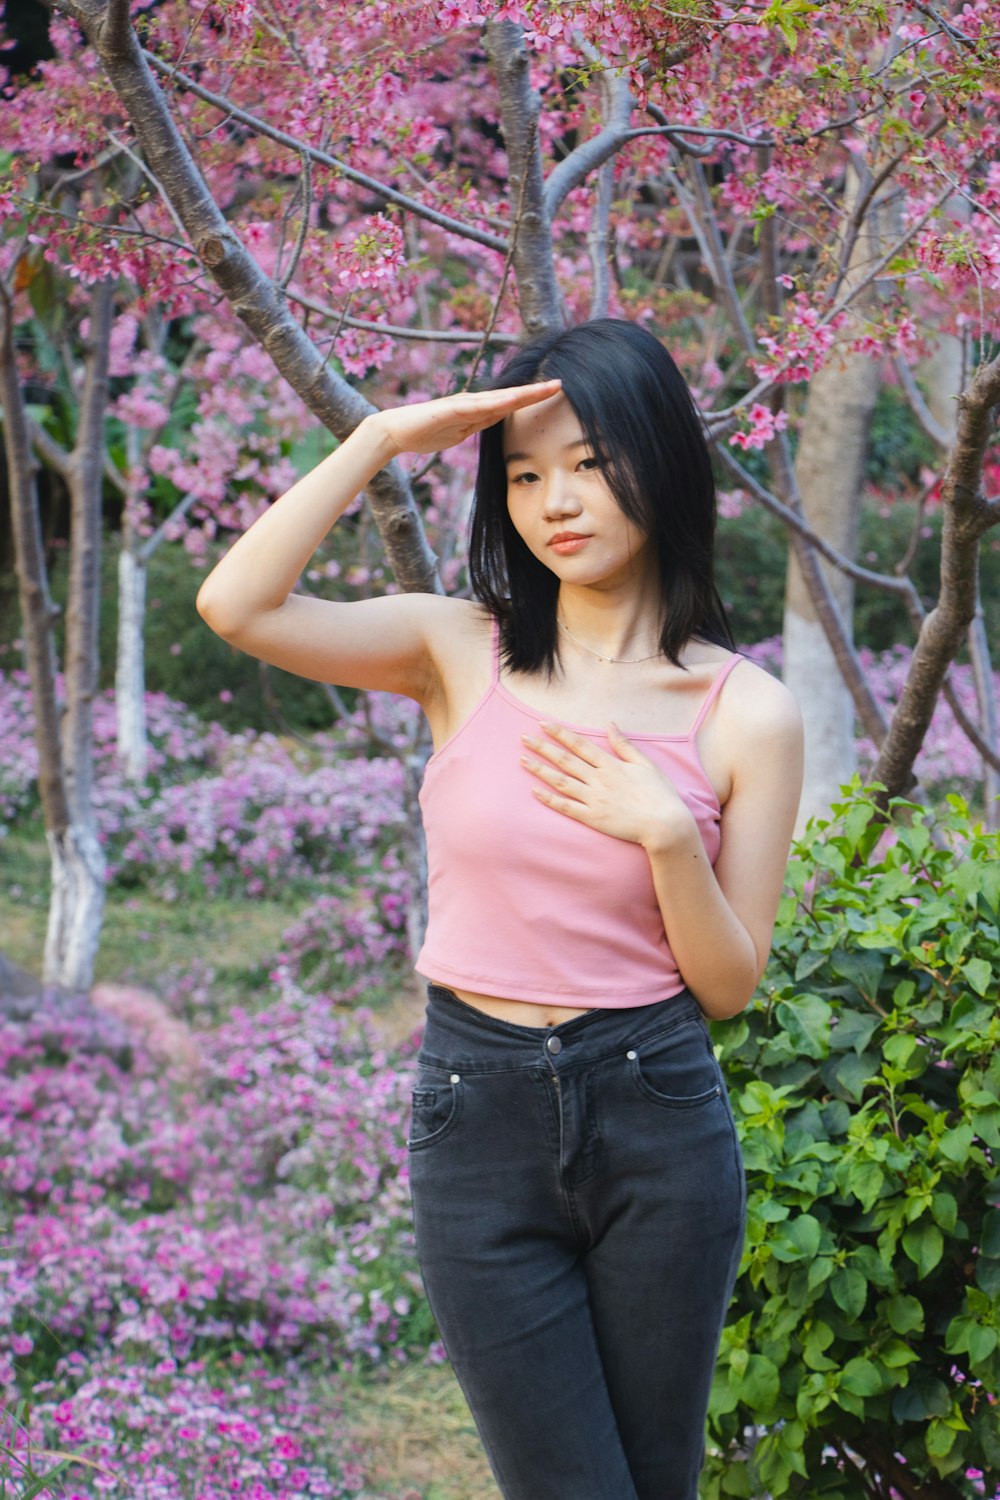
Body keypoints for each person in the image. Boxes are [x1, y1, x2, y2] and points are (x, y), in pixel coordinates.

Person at [196, 317, 804, 1500]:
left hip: (659, 1118)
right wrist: (378, 436)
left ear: (660, 461)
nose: (554, 501)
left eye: (587, 461)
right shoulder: (457, 648)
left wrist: (668, 838)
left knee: (652, 1479)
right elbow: (236, 605)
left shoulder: (746, 712)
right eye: (523, 474)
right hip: (475, 1120)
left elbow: (730, 986)